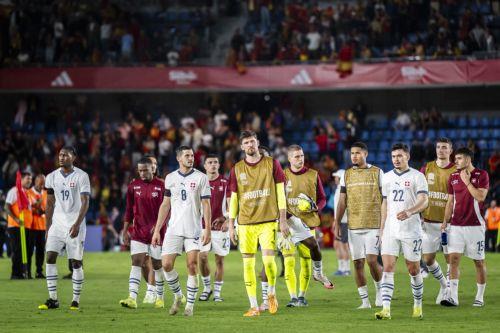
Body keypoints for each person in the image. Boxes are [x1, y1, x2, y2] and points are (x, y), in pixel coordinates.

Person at [228, 130, 288, 317]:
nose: (250, 145)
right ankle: (254, 305)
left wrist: (283, 219)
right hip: (245, 223)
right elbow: (234, 199)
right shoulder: (237, 168)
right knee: (248, 266)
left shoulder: (272, 164)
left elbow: (280, 193)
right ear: (242, 146)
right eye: (246, 143)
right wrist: (231, 225)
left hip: (268, 221)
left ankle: (271, 294)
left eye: (252, 142)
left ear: (258, 142)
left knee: (269, 262)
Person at [151, 146, 211, 317]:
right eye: (187, 155)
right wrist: (157, 230)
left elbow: (206, 205)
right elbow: (165, 204)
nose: (190, 158)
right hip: (174, 229)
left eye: (192, 155)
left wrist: (207, 229)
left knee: (192, 265)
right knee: (166, 265)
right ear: (179, 158)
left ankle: (189, 306)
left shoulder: (201, 178)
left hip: (193, 229)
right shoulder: (170, 178)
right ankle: (179, 296)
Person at [375, 143, 429, 320]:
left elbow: (424, 201)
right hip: (390, 229)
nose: (396, 159)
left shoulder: (417, 176)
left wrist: (410, 211)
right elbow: (385, 204)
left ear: (408, 156)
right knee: (388, 268)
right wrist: (381, 229)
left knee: (413, 269)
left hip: (411, 230)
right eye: (393, 157)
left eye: (399, 156)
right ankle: (386, 309)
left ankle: (418, 306)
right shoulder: (387, 177)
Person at [38, 146, 90, 311]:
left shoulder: (82, 176)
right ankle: (53, 299)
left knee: (76, 262)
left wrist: (76, 224)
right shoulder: (51, 177)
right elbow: (50, 203)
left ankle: (75, 300)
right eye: (60, 155)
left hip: (75, 225)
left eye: (65, 155)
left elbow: (85, 202)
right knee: (50, 257)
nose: (61, 157)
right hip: (57, 225)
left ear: (73, 157)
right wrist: (48, 228)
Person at [281, 144, 333, 308]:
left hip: (306, 222)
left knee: (306, 259)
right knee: (288, 261)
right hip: (287, 222)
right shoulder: (282, 176)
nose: (300, 159)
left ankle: (302, 297)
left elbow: (323, 198)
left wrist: (316, 207)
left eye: (301, 155)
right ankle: (293, 297)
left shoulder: (313, 174)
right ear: (289, 158)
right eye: (296, 156)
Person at [334, 142, 383, 309]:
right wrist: (337, 222)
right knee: (357, 263)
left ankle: (379, 293)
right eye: (352, 153)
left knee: (371, 261)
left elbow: (384, 200)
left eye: (358, 153)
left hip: (373, 225)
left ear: (366, 154)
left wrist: (385, 223)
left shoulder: (377, 172)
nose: (354, 156)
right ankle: (365, 301)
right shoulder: (346, 175)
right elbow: (342, 201)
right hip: (353, 225)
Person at [440, 147, 489, 307]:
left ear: (468, 159)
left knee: (479, 262)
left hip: (475, 226)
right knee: (453, 260)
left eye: (459, 158)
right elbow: (450, 201)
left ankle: (480, 297)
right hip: (456, 226)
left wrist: (467, 182)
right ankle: (453, 297)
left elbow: (480, 197)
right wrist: (445, 220)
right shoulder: (453, 176)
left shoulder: (482, 175)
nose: (456, 161)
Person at [119, 157, 167, 309]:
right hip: (138, 231)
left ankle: (160, 297)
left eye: (145, 170)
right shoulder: (133, 186)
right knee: (136, 263)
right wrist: (125, 230)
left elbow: (168, 209)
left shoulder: (162, 185)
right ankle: (132, 297)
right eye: (140, 170)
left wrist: (158, 227)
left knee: (158, 264)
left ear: (152, 169)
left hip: (157, 233)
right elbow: (128, 210)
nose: (142, 173)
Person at [420, 138, 456, 303]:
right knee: (428, 260)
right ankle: (443, 285)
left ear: (450, 150)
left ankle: (449, 292)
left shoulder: (457, 170)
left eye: (444, 147)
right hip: (428, 221)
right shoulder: (427, 168)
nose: (441, 150)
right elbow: (418, 193)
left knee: (451, 259)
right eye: (438, 147)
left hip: (449, 223)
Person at [199, 154, 229, 302]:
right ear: (204, 166)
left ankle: (217, 293)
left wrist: (227, 219)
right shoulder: (198, 182)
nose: (213, 165)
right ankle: (206, 288)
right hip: (202, 227)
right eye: (210, 162)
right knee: (202, 257)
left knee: (220, 261)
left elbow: (233, 203)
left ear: (219, 164)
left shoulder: (226, 182)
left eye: (215, 162)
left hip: (220, 228)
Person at [5, 172, 33, 279]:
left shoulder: (27, 193)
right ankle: (15, 273)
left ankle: (22, 272)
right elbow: (7, 207)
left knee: (23, 250)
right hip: (15, 226)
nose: (29, 181)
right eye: (27, 178)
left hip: (26, 226)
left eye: (31, 179)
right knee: (17, 249)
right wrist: (16, 218)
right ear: (21, 179)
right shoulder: (14, 191)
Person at [28, 174, 47, 278]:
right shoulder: (28, 193)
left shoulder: (46, 193)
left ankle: (39, 271)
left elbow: (47, 208)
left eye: (44, 183)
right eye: (40, 183)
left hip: (42, 227)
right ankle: (27, 271)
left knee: (40, 251)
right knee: (29, 250)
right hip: (31, 227)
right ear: (35, 182)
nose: (42, 185)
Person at [332, 169, 350, 276]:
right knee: (337, 244)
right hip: (339, 221)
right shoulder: (338, 189)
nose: (335, 178)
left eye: (337, 177)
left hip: (343, 221)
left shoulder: (343, 190)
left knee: (343, 245)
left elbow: (343, 208)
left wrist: (337, 221)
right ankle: (341, 268)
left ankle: (346, 269)